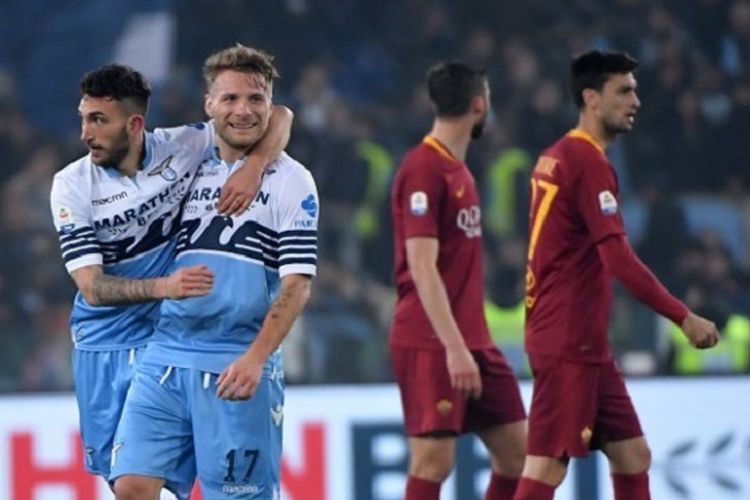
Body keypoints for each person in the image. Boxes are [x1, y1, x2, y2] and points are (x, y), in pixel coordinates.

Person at [49, 64, 292, 485]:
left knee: (151, 482)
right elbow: (91, 287)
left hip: (168, 343)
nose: (86, 133)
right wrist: (166, 287)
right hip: (103, 345)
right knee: (124, 485)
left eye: (98, 120)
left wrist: (254, 166)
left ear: (135, 123)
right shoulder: (71, 185)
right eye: (84, 119)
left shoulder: (184, 146)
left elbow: (282, 116)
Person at [110, 45, 318, 500]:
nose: (243, 110)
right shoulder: (179, 161)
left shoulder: (292, 180)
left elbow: (298, 286)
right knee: (130, 486)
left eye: (255, 99)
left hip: (235, 358)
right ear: (208, 105)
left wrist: (257, 357)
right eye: (229, 99)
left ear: (269, 103)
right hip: (164, 354)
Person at [514, 50, 720, 500]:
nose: (636, 101)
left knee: (632, 455)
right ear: (591, 98)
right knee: (547, 467)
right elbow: (618, 260)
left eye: (635, 90)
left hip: (578, 338)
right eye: (624, 91)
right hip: (569, 340)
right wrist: (683, 317)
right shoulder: (588, 162)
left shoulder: (555, 155)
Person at [389, 62, 527, 500]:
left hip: (474, 339)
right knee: (434, 462)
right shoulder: (424, 170)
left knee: (520, 458)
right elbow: (422, 266)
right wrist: (454, 347)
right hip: (434, 339)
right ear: (479, 105)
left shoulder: (459, 171)